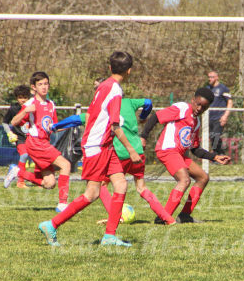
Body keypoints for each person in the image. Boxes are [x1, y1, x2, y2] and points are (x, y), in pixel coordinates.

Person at [38, 51, 141, 247]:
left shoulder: (103, 85)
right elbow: (115, 126)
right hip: (97, 145)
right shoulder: (115, 90)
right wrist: (131, 150)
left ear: (110, 68)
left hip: (105, 145)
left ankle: (109, 236)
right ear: (129, 71)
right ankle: (51, 224)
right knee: (92, 194)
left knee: (121, 185)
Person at [51, 79, 175, 225]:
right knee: (142, 188)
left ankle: (115, 217)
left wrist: (55, 126)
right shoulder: (129, 102)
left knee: (101, 185)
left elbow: (76, 119)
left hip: (119, 153)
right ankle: (168, 218)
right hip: (137, 151)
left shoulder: (102, 111)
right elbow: (148, 102)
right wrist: (143, 117)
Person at [140, 87, 231, 223]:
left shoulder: (196, 122)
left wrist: (214, 157)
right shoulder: (182, 108)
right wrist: (143, 136)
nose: (199, 108)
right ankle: (163, 218)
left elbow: (195, 149)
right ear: (193, 100)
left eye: (204, 107)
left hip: (179, 154)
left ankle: (184, 215)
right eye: (198, 104)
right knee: (184, 180)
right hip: (167, 150)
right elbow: (156, 117)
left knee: (203, 177)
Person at [11, 72, 71, 212]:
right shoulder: (30, 103)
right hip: (35, 143)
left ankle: (19, 172)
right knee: (66, 165)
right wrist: (25, 111)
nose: (44, 87)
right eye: (40, 84)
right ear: (34, 87)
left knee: (49, 183)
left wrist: (72, 124)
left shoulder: (51, 104)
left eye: (46, 84)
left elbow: (54, 127)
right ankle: (63, 204)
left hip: (44, 143)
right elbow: (13, 122)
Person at [2, 85, 32, 189]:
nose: (22, 100)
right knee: (24, 155)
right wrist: (9, 133)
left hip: (32, 138)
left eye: (25, 97)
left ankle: (39, 181)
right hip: (20, 138)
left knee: (38, 158)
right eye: (20, 97)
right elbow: (5, 122)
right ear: (16, 98)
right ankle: (20, 182)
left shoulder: (33, 107)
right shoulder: (14, 109)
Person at [207, 71, 233, 154]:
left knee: (216, 135)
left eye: (212, 77)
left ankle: (219, 153)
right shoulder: (208, 88)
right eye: (209, 77)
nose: (210, 79)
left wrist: (225, 116)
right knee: (212, 137)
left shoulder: (223, 88)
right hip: (209, 118)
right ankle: (218, 154)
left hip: (219, 117)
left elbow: (230, 102)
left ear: (217, 77)